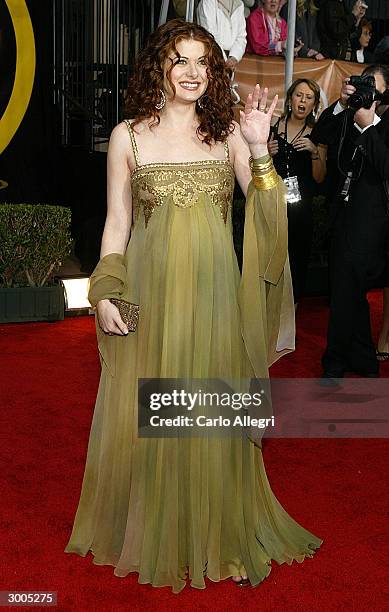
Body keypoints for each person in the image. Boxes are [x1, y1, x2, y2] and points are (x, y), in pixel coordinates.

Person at [64, 19, 322, 593]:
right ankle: (159, 529)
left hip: (214, 297)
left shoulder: (229, 130)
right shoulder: (128, 136)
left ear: (214, 72)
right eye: (179, 60)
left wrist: (259, 150)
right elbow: (117, 223)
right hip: (151, 297)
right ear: (157, 65)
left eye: (202, 62)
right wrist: (103, 291)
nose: (191, 72)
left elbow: (269, 217)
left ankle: (215, 533)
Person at [311, 64, 389, 378]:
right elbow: (319, 135)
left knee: (347, 291)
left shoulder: (383, 125)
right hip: (340, 217)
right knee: (348, 291)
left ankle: (336, 362)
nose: (367, 91)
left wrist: (369, 127)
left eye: (374, 86)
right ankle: (362, 360)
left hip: (371, 224)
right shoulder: (346, 114)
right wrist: (342, 103)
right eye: (364, 84)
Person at [268, 78, 326, 305]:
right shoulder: (274, 127)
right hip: (274, 204)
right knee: (271, 257)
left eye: (309, 97)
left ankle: (292, 307)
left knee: (297, 258)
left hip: (301, 210)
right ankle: (269, 306)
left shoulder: (316, 134)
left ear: (314, 105)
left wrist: (313, 151)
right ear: (290, 99)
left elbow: (320, 177)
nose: (303, 100)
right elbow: (256, 171)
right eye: (299, 95)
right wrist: (266, 154)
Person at [197, 0, 247, 70]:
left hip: (229, 61)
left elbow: (241, 36)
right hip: (211, 56)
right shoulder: (208, 2)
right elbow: (209, 34)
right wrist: (223, 59)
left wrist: (234, 57)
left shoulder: (239, 4)